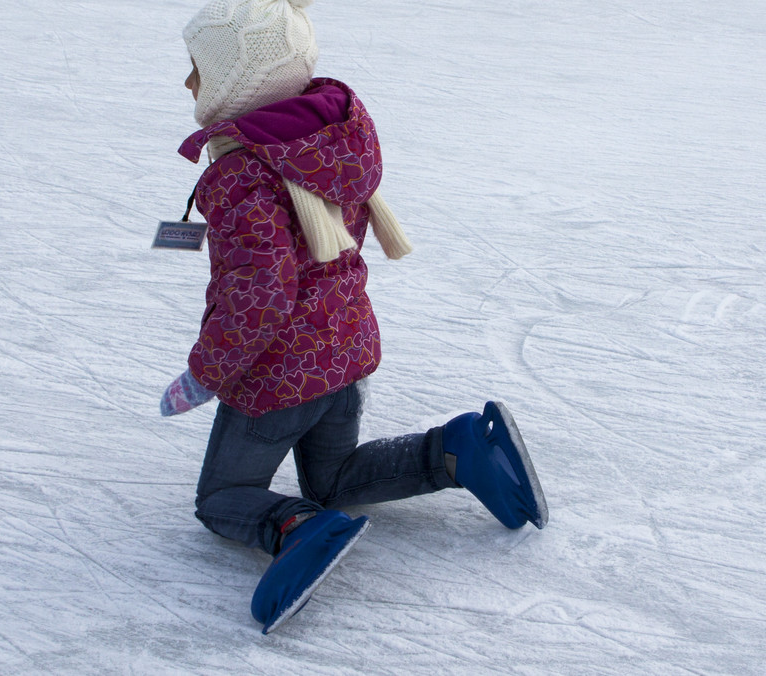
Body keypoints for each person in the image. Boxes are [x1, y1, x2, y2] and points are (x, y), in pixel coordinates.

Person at [160, 0, 547, 634]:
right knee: (334, 478)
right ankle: (459, 450)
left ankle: (297, 528)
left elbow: (256, 292)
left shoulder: (240, 176)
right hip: (344, 351)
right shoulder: (328, 141)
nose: (188, 82)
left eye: (198, 67)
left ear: (238, 79)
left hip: (278, 378)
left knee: (223, 499)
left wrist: (205, 373)